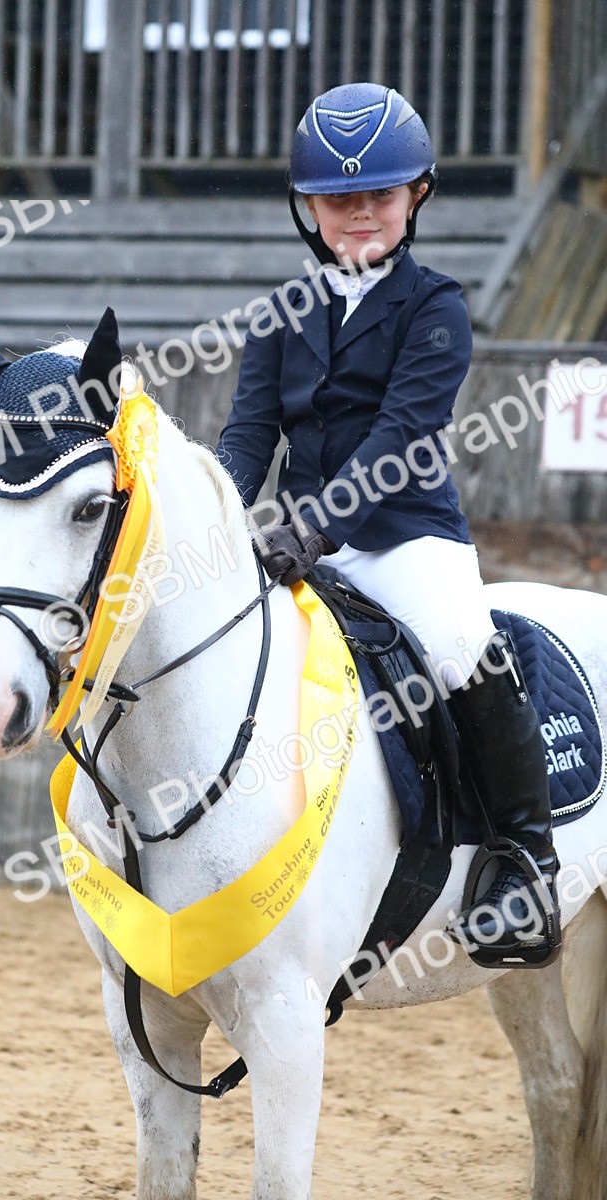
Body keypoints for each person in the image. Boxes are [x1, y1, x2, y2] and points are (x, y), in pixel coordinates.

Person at [217, 82, 560, 961]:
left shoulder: (435, 305)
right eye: (340, 199)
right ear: (311, 209)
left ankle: (526, 860)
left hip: (406, 537)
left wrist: (312, 530)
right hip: (300, 544)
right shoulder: (279, 315)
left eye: (379, 194)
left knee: (455, 644)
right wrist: (213, 528)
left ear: (417, 195)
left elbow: (399, 439)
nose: (360, 213)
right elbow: (248, 439)